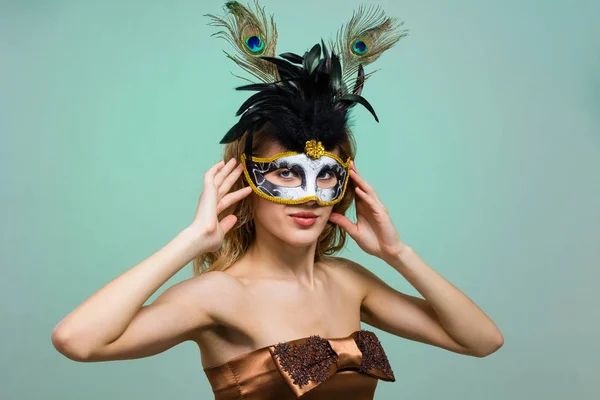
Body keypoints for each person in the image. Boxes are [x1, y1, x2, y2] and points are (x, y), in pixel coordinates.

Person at [51, 2, 504, 399]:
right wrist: (192, 241)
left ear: (343, 186)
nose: (308, 196)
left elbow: (483, 340)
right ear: (245, 181)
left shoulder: (349, 282)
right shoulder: (218, 295)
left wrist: (396, 254)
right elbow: (77, 340)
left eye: (326, 174)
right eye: (285, 172)